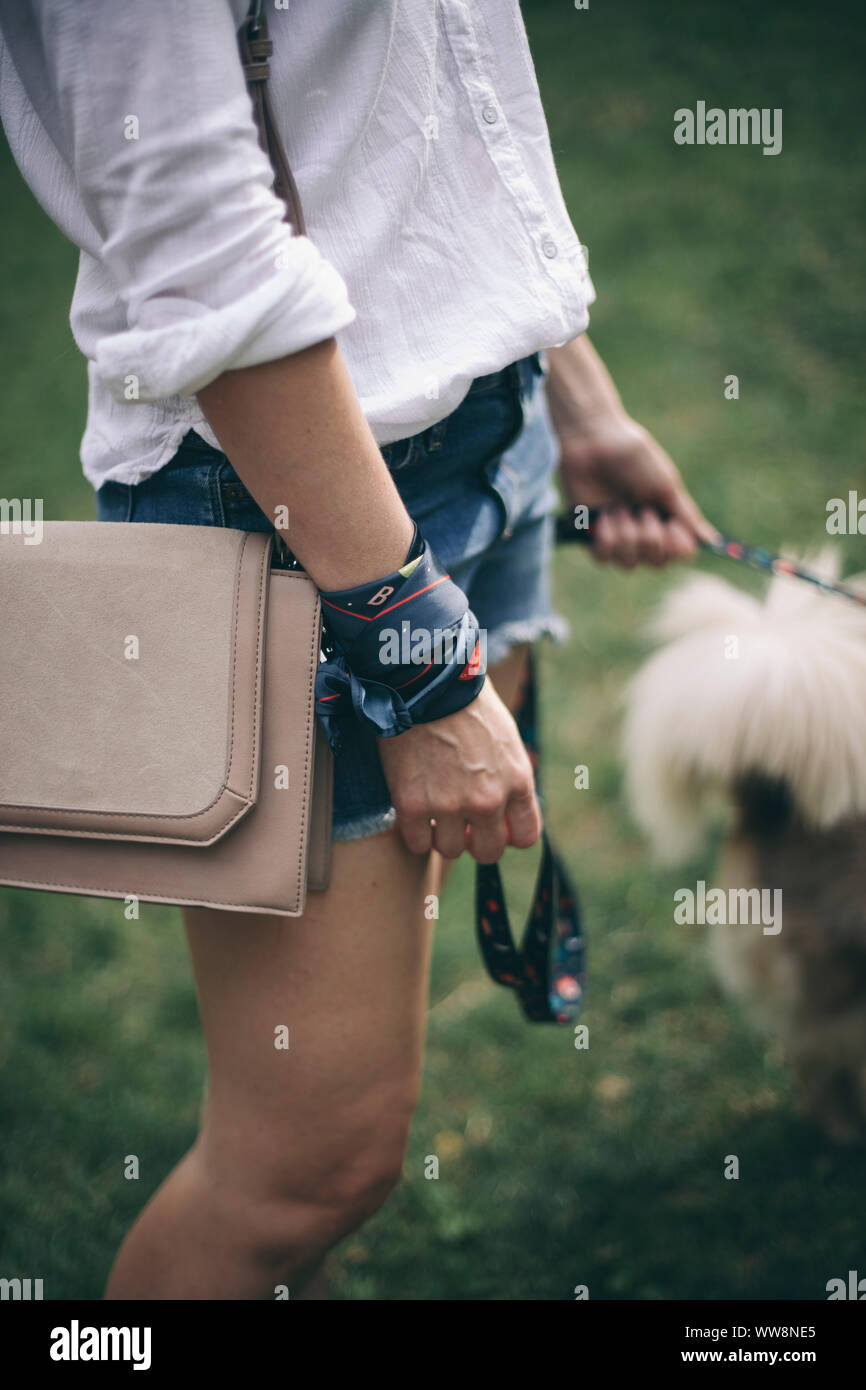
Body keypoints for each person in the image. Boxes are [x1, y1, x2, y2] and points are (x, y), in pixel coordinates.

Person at [0, 0, 714, 1300]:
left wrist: (577, 401)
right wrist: (421, 661)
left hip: (478, 432)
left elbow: (439, 135)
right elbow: (198, 253)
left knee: (335, 1112)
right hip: (299, 511)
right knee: (302, 1169)